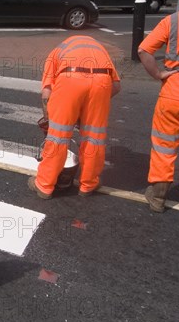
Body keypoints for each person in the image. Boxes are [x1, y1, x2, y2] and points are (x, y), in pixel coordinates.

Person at [28, 35, 121, 199]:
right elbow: (117, 86)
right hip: (102, 81)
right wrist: (89, 109)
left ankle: (44, 185)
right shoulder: (100, 49)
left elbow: (47, 92)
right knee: (94, 137)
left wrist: (49, 119)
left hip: (70, 79)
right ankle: (88, 185)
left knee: (58, 136)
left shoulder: (57, 51)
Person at [137, 0, 179, 220]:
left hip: (173, 94)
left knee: (164, 146)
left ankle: (158, 197)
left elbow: (144, 50)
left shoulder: (173, 21)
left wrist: (160, 75)